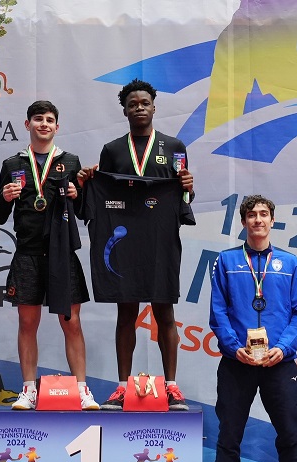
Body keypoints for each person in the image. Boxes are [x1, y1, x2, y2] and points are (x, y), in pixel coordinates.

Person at [78, 78, 195, 411]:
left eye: (144, 103)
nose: (139, 108)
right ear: (125, 111)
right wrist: (86, 183)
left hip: (160, 239)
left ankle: (172, 387)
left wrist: (188, 187)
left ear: (154, 107)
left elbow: (183, 198)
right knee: (125, 312)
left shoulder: (174, 146)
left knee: (164, 312)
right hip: (124, 242)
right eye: (133, 104)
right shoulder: (113, 150)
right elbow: (103, 195)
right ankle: (122, 387)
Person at [205, 195, 297, 462]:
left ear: (273, 221)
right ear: (244, 222)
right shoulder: (226, 261)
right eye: (252, 215)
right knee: (229, 432)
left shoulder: (290, 263)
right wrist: (234, 347)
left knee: (289, 432)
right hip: (238, 362)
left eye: (264, 214)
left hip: (279, 362)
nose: (258, 220)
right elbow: (218, 312)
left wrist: (284, 347)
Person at [0, 100, 98, 411]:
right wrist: (4, 198)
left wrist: (78, 195)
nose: (44, 124)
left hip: (62, 254)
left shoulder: (70, 161)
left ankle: (82, 390)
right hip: (27, 254)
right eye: (38, 119)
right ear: (28, 125)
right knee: (27, 323)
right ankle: (28, 390)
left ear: (57, 127)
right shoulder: (12, 164)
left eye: (49, 120)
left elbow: (84, 212)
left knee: (72, 322)